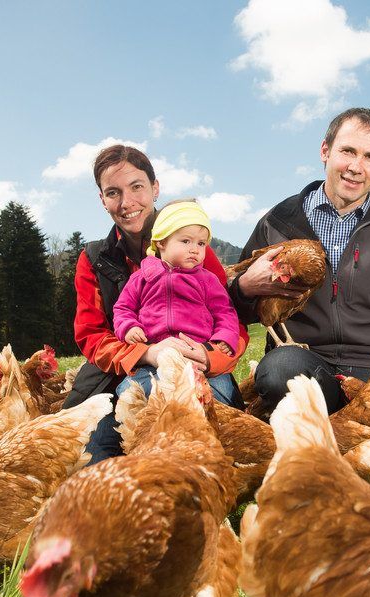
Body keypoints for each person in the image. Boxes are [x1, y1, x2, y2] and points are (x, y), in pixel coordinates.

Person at [228, 107, 370, 414]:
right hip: (301, 360)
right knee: (281, 371)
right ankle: (342, 416)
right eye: (348, 151)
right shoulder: (279, 221)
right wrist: (244, 288)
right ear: (325, 151)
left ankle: (335, 419)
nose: (356, 167)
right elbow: (230, 307)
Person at [64, 145, 248, 464]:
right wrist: (147, 352)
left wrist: (210, 356)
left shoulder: (195, 251)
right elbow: (91, 336)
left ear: (155, 188)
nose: (127, 203)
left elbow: (232, 321)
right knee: (94, 459)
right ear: (103, 199)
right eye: (113, 192)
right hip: (126, 376)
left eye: (137, 187)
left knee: (210, 440)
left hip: (196, 368)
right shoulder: (93, 260)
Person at [111, 199, 241, 401]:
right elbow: (123, 308)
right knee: (130, 395)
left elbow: (225, 312)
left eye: (201, 243)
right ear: (161, 242)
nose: (195, 249)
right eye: (186, 241)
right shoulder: (142, 277)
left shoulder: (207, 280)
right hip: (154, 360)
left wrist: (224, 337)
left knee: (219, 397)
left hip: (197, 357)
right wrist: (128, 327)